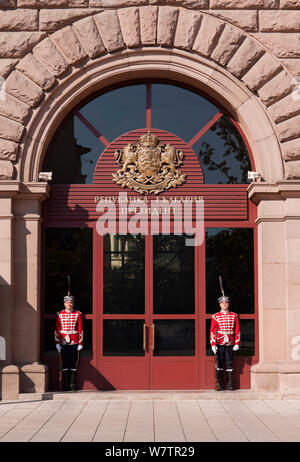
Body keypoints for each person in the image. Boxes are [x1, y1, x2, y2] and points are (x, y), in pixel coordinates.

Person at [210, 295, 240, 391]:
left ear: (228, 304)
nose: (224, 304)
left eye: (226, 303)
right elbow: (212, 331)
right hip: (219, 342)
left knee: (229, 362)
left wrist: (237, 343)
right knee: (219, 362)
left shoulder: (234, 315)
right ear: (220, 304)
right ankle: (219, 384)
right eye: (223, 303)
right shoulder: (215, 316)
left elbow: (237, 330)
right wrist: (213, 345)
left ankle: (230, 384)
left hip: (230, 342)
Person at [55, 295, 83, 391]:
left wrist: (80, 343)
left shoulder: (78, 314)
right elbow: (57, 329)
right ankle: (66, 385)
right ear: (64, 304)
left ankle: (72, 385)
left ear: (73, 304)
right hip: (63, 342)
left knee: (73, 363)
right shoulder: (59, 314)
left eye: (70, 302)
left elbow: (80, 329)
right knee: (64, 363)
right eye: (67, 302)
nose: (69, 304)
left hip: (74, 341)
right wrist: (57, 342)